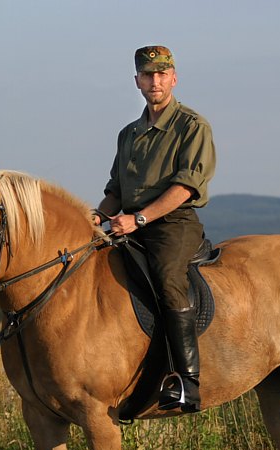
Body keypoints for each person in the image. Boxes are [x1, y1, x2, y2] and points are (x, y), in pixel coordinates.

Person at [94, 45, 216, 412]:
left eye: (162, 74)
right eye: (148, 74)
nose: (155, 81)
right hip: (128, 222)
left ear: (174, 78)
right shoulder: (128, 134)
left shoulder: (192, 126)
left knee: (166, 277)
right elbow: (115, 190)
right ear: (137, 82)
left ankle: (187, 382)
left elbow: (185, 187)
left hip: (172, 223)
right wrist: (97, 218)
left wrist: (140, 218)